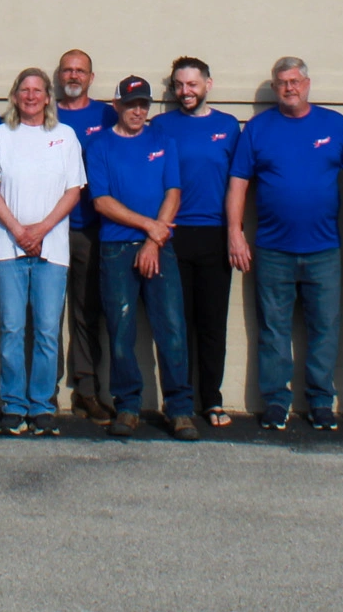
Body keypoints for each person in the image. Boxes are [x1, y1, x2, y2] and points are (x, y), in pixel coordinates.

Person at [227, 55, 343, 434]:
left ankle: (320, 403)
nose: (290, 87)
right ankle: (276, 403)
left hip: (323, 250)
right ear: (274, 87)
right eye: (282, 82)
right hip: (272, 250)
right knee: (273, 329)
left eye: (296, 80)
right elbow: (238, 182)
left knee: (324, 328)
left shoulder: (334, 125)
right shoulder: (258, 128)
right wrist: (235, 232)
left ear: (307, 83)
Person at [0, 68, 87, 436]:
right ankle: (13, 406)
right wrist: (18, 230)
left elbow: (73, 190)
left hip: (51, 249)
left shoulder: (65, 136)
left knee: (46, 331)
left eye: (37, 90)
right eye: (23, 89)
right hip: (7, 248)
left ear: (48, 96)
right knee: (11, 329)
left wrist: (39, 230)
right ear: (14, 95)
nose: (30, 96)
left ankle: (41, 406)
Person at [86, 76, 196, 440]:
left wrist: (154, 240)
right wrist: (150, 227)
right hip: (116, 249)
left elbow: (173, 193)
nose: (138, 111)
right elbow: (101, 201)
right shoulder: (98, 144)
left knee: (173, 329)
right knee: (121, 331)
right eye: (131, 104)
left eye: (143, 104)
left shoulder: (163, 141)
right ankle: (128, 407)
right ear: (116, 105)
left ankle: (180, 409)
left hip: (160, 249)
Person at [151, 56, 241, 427]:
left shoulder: (228, 126)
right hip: (171, 234)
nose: (185, 92)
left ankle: (212, 399)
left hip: (214, 234)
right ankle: (181, 400)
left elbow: (239, 183)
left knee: (211, 322)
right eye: (179, 85)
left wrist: (235, 231)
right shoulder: (160, 126)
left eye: (192, 84)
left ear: (208, 84)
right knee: (177, 323)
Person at [52, 48, 116, 420]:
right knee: (44, 314)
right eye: (68, 70)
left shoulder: (107, 115)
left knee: (88, 312)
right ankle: (46, 388)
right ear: (59, 76)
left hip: (90, 229)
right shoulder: (45, 112)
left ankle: (87, 389)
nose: (73, 76)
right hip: (46, 229)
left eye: (81, 71)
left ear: (91, 77)